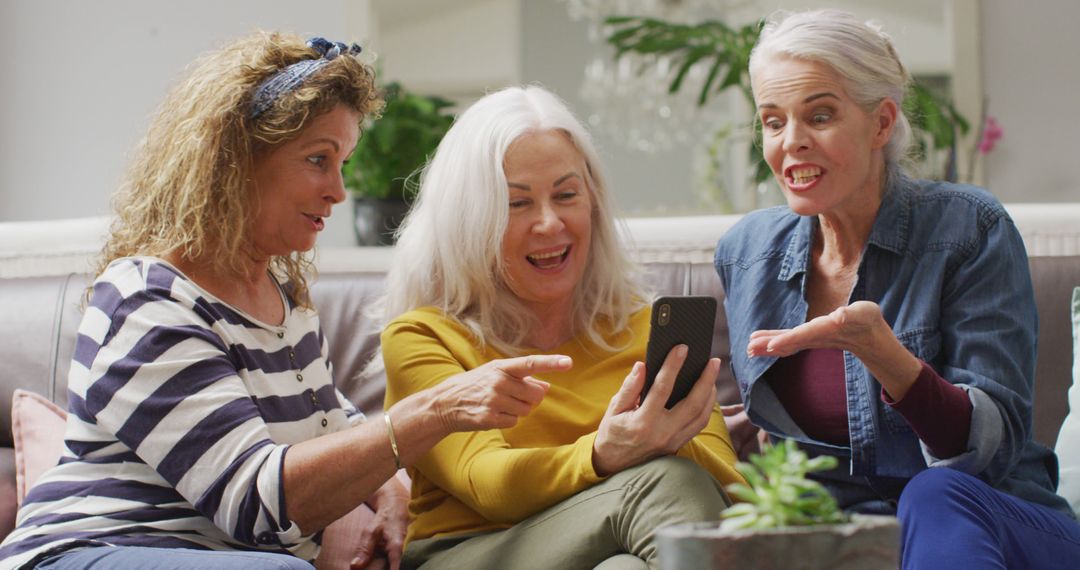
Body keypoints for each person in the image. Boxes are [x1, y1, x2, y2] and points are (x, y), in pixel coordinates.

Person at [0, 33, 567, 570]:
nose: (339, 191)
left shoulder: (281, 296)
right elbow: (256, 504)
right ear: (233, 160)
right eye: (318, 159)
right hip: (89, 552)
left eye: (343, 163)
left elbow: (334, 421)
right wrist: (436, 409)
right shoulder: (144, 299)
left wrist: (395, 496)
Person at [714, 9, 1080, 568]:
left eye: (820, 115)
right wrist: (697, 427)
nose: (792, 143)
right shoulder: (747, 253)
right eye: (772, 121)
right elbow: (770, 442)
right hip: (848, 537)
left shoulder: (969, 229)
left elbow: (993, 447)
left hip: (992, 518)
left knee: (932, 496)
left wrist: (886, 358)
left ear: (881, 123)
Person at [379, 85, 744, 569]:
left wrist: (668, 439)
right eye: (518, 203)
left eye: (566, 195)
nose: (550, 223)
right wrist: (605, 454)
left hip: (616, 546)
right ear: (470, 219)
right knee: (667, 484)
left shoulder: (645, 329)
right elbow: (485, 482)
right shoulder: (422, 338)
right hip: (470, 553)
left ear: (592, 202)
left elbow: (731, 487)